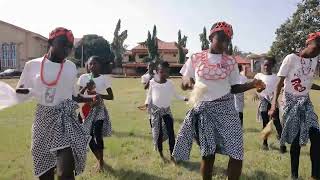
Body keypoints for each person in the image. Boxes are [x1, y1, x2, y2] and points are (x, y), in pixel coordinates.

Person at [172, 21, 265, 180]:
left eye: (228, 40)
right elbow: (184, 80)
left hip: (227, 110)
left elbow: (234, 88)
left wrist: (252, 84)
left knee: (236, 153)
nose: (224, 43)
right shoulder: (196, 58)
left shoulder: (230, 61)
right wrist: (186, 82)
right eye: (221, 38)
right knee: (208, 155)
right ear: (211, 37)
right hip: (204, 111)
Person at [15, 27, 97, 180]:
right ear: (51, 42)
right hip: (43, 122)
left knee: (66, 173)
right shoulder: (32, 65)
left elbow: (72, 96)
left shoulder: (71, 67)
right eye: (63, 44)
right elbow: (20, 91)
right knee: (45, 173)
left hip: (66, 121)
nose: (66, 49)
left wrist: (88, 99)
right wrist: (27, 92)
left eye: (69, 47)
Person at [269, 32, 320, 180]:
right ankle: (294, 175)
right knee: (296, 141)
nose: (317, 52)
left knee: (317, 137)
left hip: (305, 101)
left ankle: (315, 176)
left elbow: (307, 83)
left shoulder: (315, 59)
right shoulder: (290, 58)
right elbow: (279, 84)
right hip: (289, 102)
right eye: (316, 48)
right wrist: (273, 105)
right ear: (307, 44)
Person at [145, 61, 188, 162]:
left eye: (166, 72)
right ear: (157, 71)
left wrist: (185, 98)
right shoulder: (152, 82)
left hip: (167, 112)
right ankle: (161, 153)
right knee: (158, 134)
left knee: (171, 133)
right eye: (161, 72)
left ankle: (172, 156)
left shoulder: (170, 83)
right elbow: (150, 95)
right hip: (155, 112)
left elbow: (176, 95)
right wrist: (147, 103)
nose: (164, 74)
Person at [78, 56, 114, 172]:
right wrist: (85, 87)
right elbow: (78, 96)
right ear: (87, 66)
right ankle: (98, 159)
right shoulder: (83, 78)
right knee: (87, 136)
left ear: (100, 65)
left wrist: (98, 94)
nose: (92, 66)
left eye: (95, 64)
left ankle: (101, 161)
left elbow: (111, 96)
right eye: (90, 64)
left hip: (98, 109)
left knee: (97, 133)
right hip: (86, 109)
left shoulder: (104, 79)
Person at [253, 56, 286, 152]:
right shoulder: (258, 76)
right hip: (263, 101)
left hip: (272, 102)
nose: (266, 67)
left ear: (272, 66)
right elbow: (257, 89)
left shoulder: (276, 77)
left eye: (268, 65)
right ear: (262, 65)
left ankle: (282, 145)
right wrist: (258, 90)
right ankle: (265, 143)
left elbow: (282, 87)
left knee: (277, 123)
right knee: (265, 123)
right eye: (264, 65)